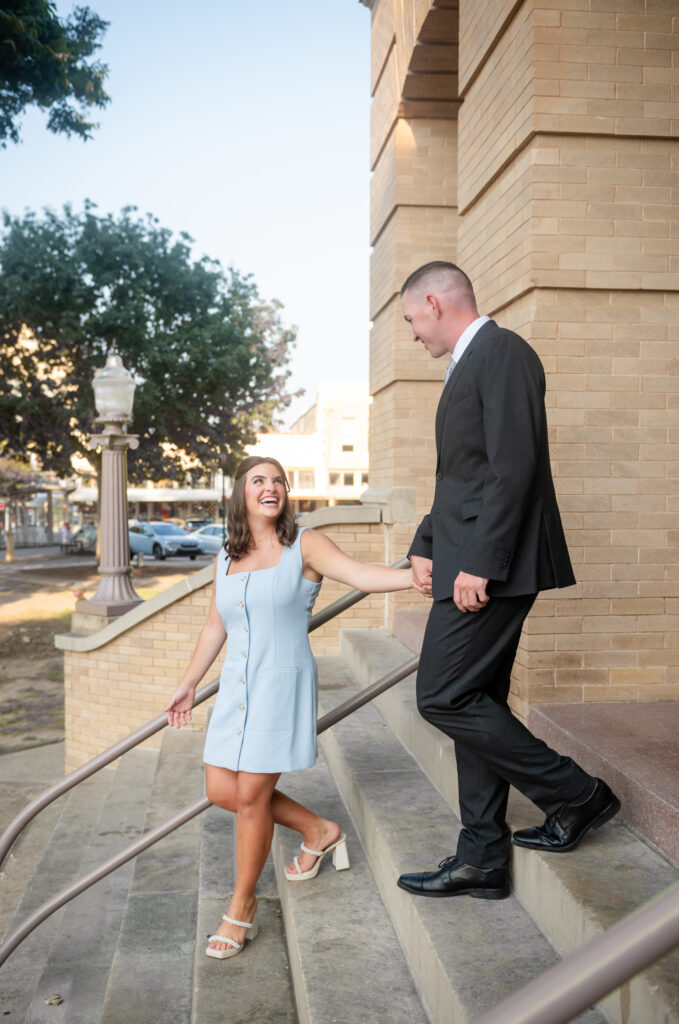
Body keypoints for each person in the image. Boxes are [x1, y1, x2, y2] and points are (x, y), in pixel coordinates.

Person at [396, 261, 620, 901]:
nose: (413, 335)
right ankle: (483, 857)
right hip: (470, 558)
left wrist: (479, 563)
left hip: (492, 568)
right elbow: (461, 477)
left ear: (435, 303)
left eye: (412, 320)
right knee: (474, 701)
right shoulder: (469, 363)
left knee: (441, 696)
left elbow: (513, 467)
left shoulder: (503, 353)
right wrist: (425, 543)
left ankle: (577, 794)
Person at [165, 456, 414, 958]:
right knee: (221, 790)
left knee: (253, 796)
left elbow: (363, 575)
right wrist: (189, 683)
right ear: (241, 494)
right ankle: (318, 829)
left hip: (282, 686)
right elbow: (216, 625)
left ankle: (242, 907)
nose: (271, 487)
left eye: (279, 480)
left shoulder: (307, 545)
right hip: (236, 688)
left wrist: (416, 578)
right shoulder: (226, 557)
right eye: (259, 480)